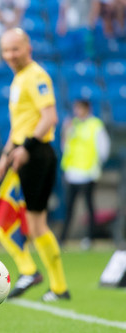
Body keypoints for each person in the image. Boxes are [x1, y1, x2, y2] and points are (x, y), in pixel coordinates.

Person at [0, 28, 70, 302]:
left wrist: (25, 150)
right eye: (6, 50)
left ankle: (30, 271)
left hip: (35, 154)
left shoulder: (36, 76)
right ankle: (58, 287)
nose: (10, 55)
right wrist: (6, 153)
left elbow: (49, 117)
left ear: (28, 48)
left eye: (15, 49)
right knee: (34, 225)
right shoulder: (19, 78)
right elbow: (20, 125)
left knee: (5, 219)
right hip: (23, 152)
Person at [59, 99, 111, 250]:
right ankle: (63, 238)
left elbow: (103, 148)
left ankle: (90, 238)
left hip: (88, 173)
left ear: (87, 109)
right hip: (72, 173)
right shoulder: (72, 125)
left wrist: (97, 166)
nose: (77, 112)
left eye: (80, 109)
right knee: (69, 207)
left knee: (89, 206)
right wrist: (66, 131)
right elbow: (65, 147)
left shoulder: (95, 125)